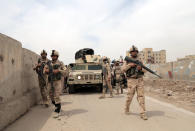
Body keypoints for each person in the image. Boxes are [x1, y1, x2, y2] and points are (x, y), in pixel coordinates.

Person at [122, 45, 148, 120]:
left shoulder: (140, 60)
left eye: (135, 51)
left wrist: (141, 68)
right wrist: (130, 65)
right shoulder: (127, 61)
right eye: (132, 52)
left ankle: (143, 113)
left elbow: (145, 70)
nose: (134, 53)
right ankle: (127, 108)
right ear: (130, 53)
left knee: (141, 97)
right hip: (131, 80)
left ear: (137, 52)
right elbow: (122, 69)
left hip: (140, 80)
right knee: (129, 97)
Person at [44, 50, 67, 118]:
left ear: (57, 56)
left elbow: (65, 71)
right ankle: (57, 106)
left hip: (57, 81)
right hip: (50, 81)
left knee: (57, 95)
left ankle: (58, 110)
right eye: (52, 56)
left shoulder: (60, 63)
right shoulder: (48, 63)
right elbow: (44, 70)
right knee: (50, 96)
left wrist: (58, 70)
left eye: (55, 56)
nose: (53, 57)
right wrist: (47, 71)